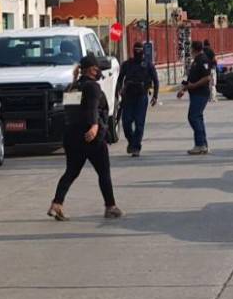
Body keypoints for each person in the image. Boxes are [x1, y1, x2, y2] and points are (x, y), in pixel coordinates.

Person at [49, 55, 123, 220]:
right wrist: (94, 126)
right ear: (91, 69)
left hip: (71, 136)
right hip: (91, 137)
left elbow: (69, 111)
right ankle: (110, 206)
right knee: (104, 172)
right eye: (97, 69)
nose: (99, 72)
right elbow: (91, 108)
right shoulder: (93, 87)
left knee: (71, 172)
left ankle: (57, 204)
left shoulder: (72, 86)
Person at [117, 42, 159, 156]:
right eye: (136, 49)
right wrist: (119, 91)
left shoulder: (148, 64)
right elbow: (120, 79)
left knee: (139, 124)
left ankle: (136, 147)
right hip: (128, 97)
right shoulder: (127, 64)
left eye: (140, 50)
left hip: (141, 97)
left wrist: (155, 96)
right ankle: (132, 142)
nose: (138, 52)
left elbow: (155, 80)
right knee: (126, 123)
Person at [177, 41, 212, 155]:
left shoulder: (203, 60)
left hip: (201, 93)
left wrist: (193, 85)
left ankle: (200, 144)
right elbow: (192, 78)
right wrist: (184, 88)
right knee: (198, 118)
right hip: (195, 93)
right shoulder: (196, 61)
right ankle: (203, 145)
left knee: (193, 117)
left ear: (193, 49)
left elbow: (207, 78)